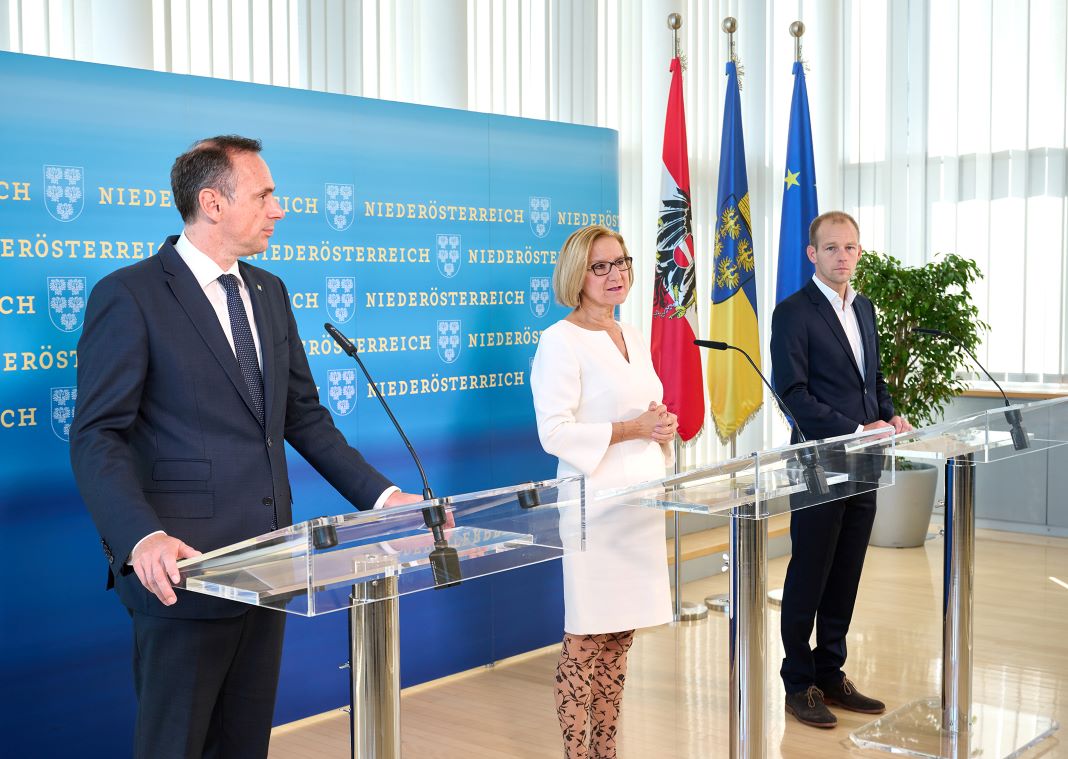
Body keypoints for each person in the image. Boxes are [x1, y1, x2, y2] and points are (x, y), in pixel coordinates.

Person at [69, 135, 422, 759]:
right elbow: (99, 434)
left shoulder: (269, 291)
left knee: (243, 743)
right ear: (212, 202)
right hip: (182, 570)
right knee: (176, 744)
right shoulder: (131, 295)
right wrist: (139, 537)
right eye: (263, 195)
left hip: (269, 560)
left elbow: (304, 418)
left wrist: (385, 497)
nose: (277, 209)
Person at [531, 224, 677, 759]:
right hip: (595, 510)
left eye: (622, 262)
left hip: (640, 504)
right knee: (587, 640)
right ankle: (579, 754)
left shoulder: (632, 335)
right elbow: (555, 432)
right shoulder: (560, 340)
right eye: (601, 266)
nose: (616, 275)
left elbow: (642, 409)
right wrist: (632, 429)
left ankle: (606, 751)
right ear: (577, 275)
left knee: (619, 641)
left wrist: (660, 425)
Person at [770, 210, 913, 729]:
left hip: (865, 460)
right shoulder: (794, 312)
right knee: (810, 571)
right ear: (813, 254)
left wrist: (889, 413)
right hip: (818, 459)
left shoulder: (865, 308)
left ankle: (832, 671)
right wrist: (855, 431)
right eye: (832, 248)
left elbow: (870, 380)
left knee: (847, 569)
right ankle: (798, 681)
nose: (843, 257)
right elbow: (793, 395)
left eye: (850, 248)